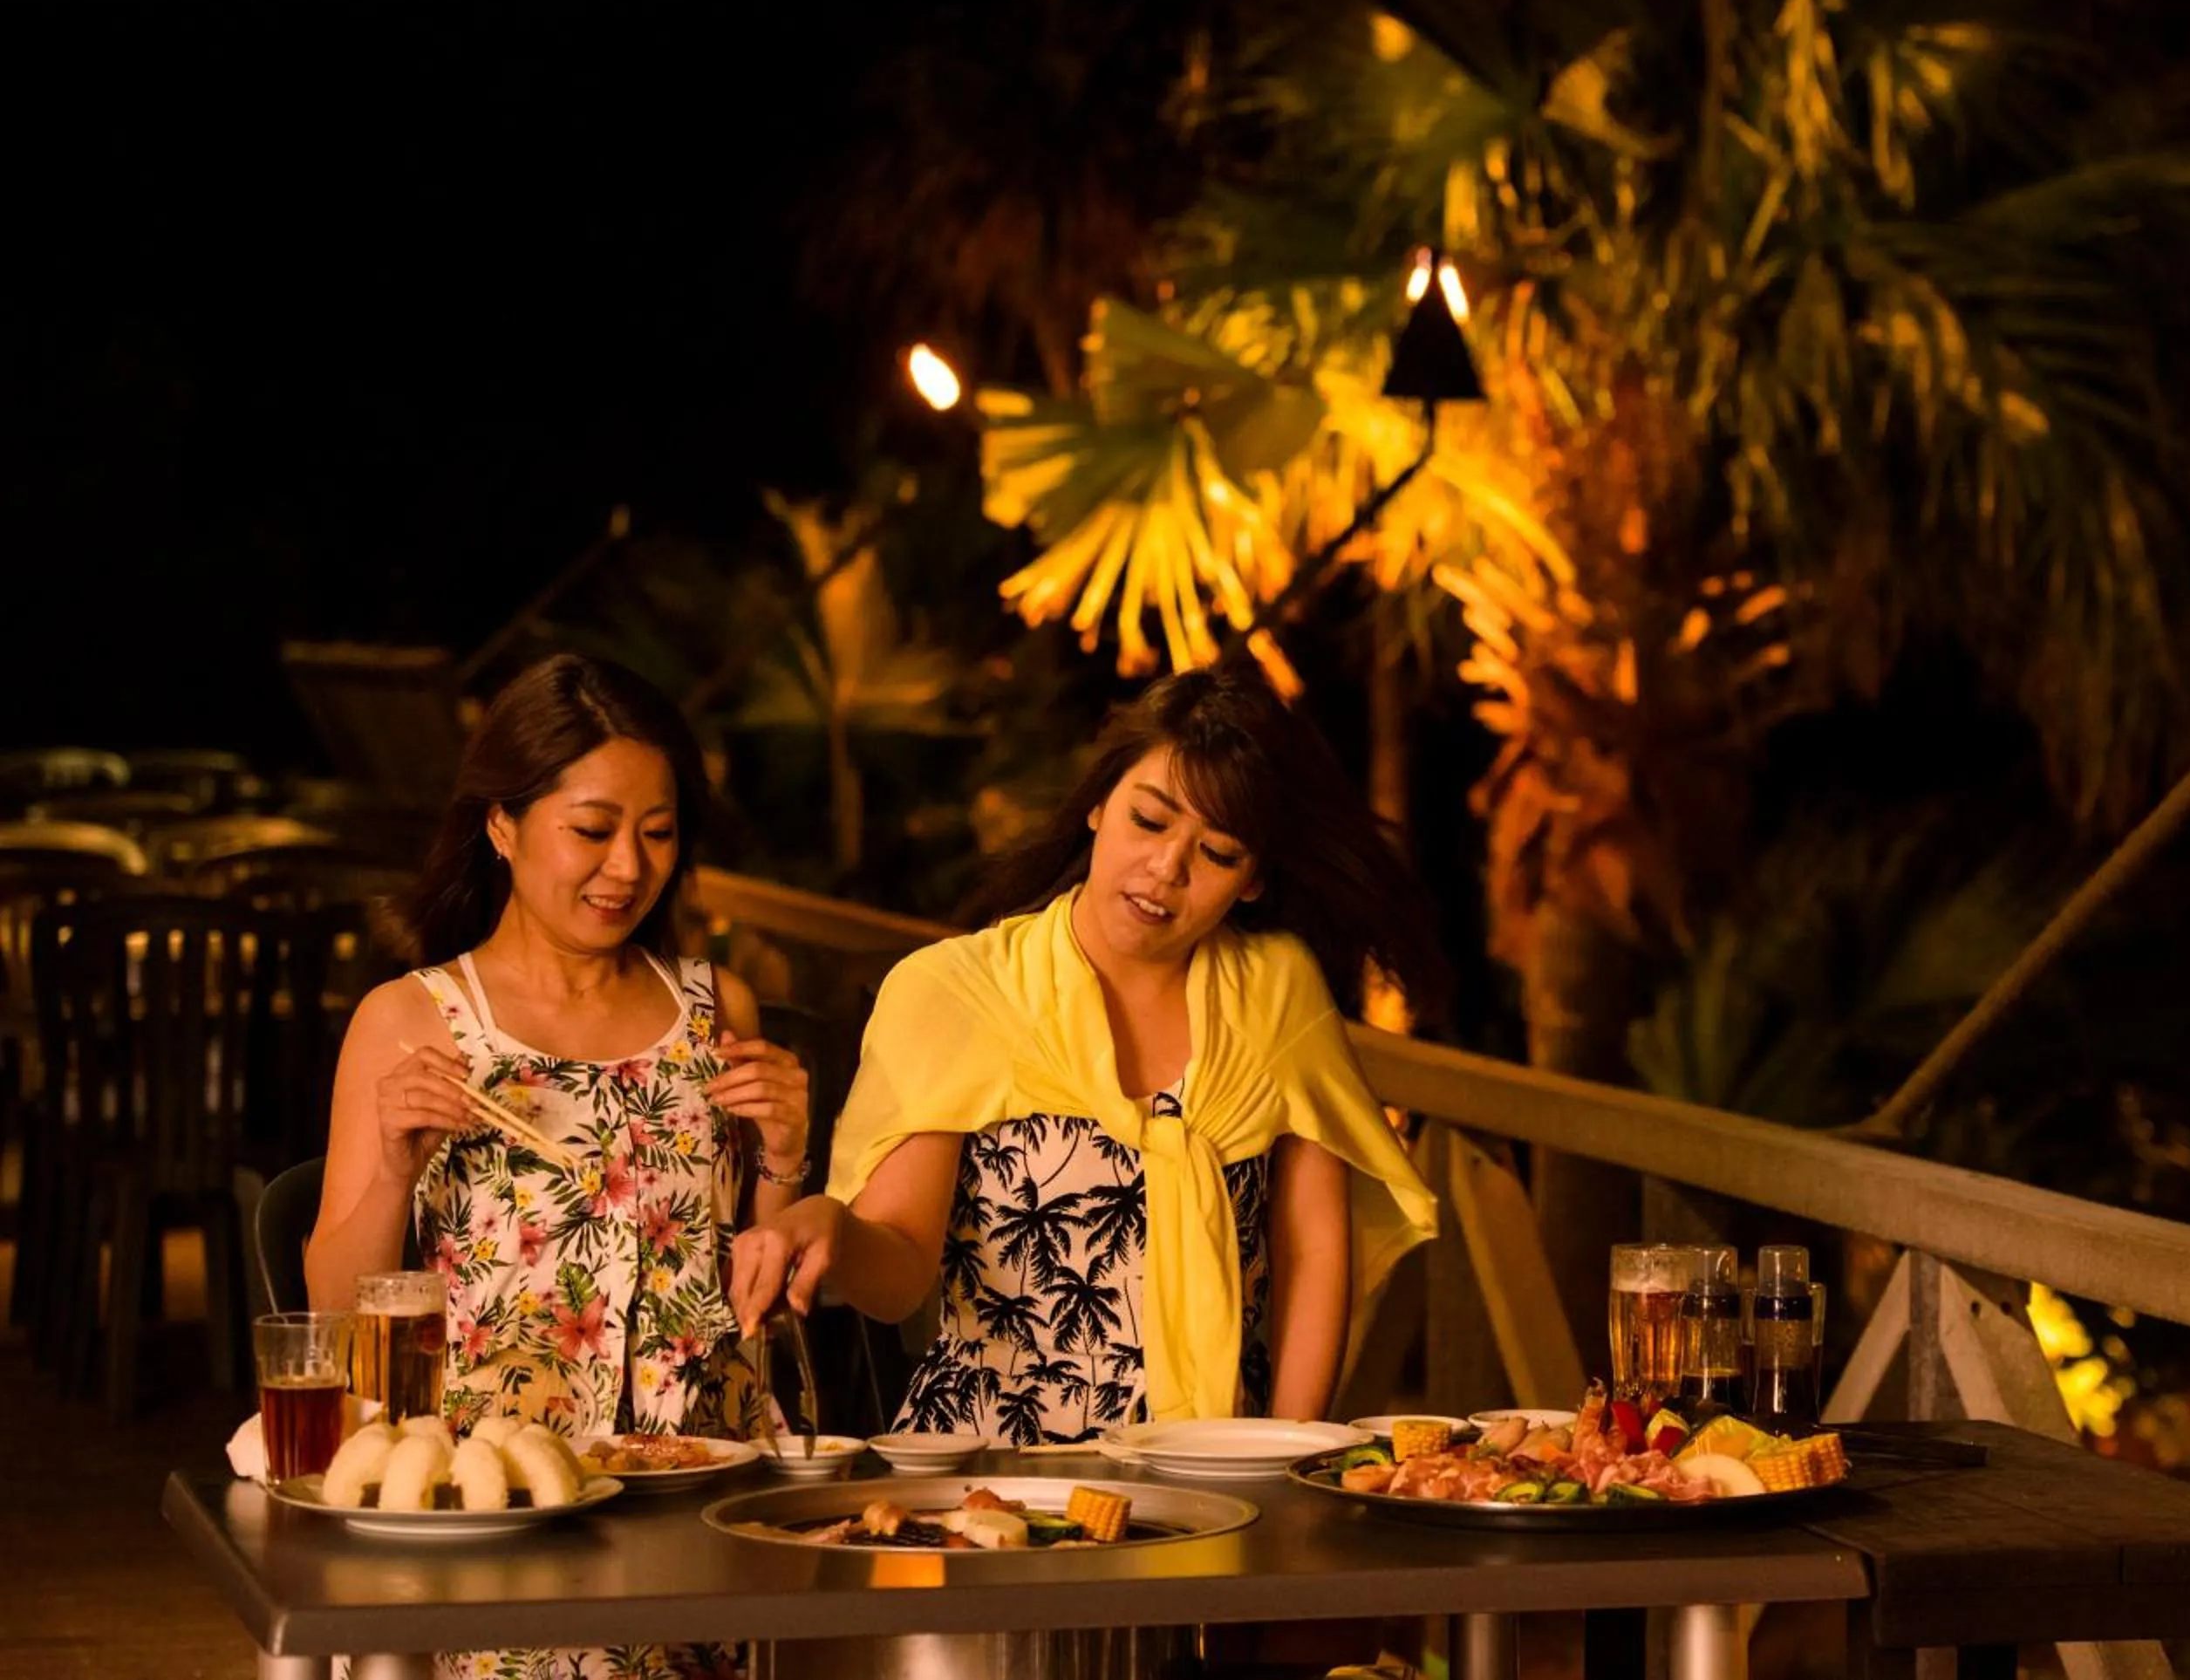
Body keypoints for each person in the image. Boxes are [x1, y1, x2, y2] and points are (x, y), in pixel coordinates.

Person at [729, 659, 1445, 1444]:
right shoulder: (958, 991)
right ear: (1099, 806)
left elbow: (1312, 1253)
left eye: (1218, 853)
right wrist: (832, 1225)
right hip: (989, 1470)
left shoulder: (1276, 992)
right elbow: (899, 1274)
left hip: (1215, 1471)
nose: (1166, 869)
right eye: (1150, 819)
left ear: (1252, 881)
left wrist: (1284, 1456)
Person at [307, 652, 808, 1680]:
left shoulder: (719, 1013)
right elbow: (332, 1314)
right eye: (592, 829)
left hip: (702, 1502)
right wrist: (396, 1169)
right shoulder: (414, 1021)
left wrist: (791, 1162)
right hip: (500, 1505)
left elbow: (764, 1290)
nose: (627, 867)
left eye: (657, 833)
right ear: (502, 824)